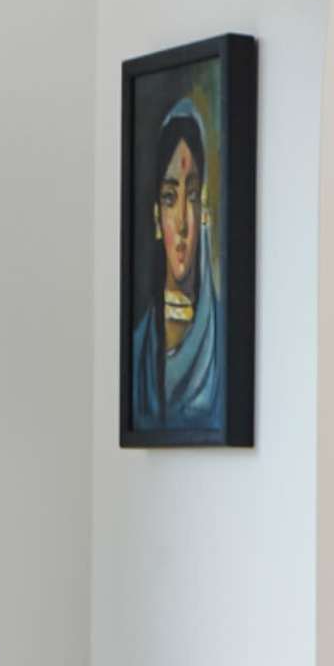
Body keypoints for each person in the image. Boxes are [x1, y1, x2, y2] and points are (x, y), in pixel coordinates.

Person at [127, 92, 228, 437]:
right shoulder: (138, 351)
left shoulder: (223, 346)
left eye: (193, 196)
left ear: (205, 213)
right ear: (158, 217)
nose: (182, 222)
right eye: (170, 198)